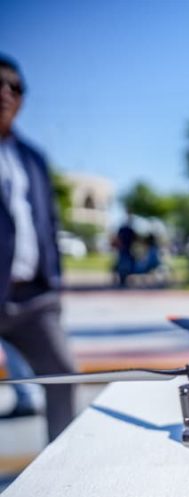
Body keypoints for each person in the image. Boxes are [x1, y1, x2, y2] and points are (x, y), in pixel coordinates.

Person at [0, 54, 76, 440]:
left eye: (14, 87)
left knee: (63, 376)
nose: (5, 93)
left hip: (33, 297)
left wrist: (54, 279)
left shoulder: (33, 157)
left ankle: (60, 466)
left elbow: (48, 223)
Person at [113, 215, 137, 287]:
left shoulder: (129, 230)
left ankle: (123, 279)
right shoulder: (125, 229)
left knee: (125, 264)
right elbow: (118, 239)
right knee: (123, 264)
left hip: (127, 250)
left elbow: (134, 240)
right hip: (124, 249)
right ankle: (122, 279)